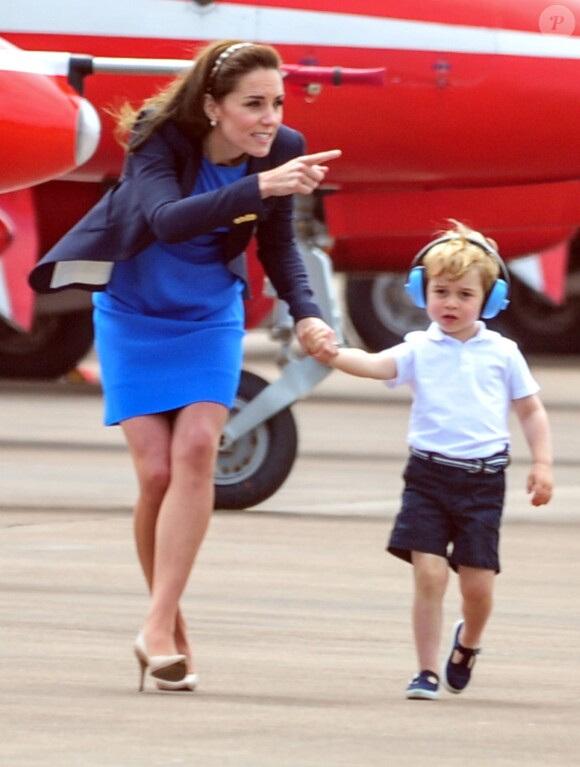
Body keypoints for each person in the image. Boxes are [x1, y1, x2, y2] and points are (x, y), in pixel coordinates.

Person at [32, 39, 340, 692]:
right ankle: (170, 624)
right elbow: (165, 220)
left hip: (208, 313)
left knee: (198, 446)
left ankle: (155, 624)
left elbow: (278, 243)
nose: (269, 118)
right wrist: (258, 185)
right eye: (253, 104)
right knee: (157, 474)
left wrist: (309, 311)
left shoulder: (283, 149)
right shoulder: (159, 137)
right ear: (212, 107)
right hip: (134, 309)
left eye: (277, 103)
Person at [309, 221, 553, 701]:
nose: (451, 303)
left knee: (478, 588)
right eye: (440, 291)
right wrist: (334, 355)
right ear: (423, 292)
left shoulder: (503, 353)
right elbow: (377, 364)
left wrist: (542, 463)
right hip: (427, 476)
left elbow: (531, 409)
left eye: (464, 294)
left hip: (483, 483)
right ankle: (425, 670)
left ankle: (468, 643)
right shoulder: (419, 347)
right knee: (429, 572)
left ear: (491, 300)